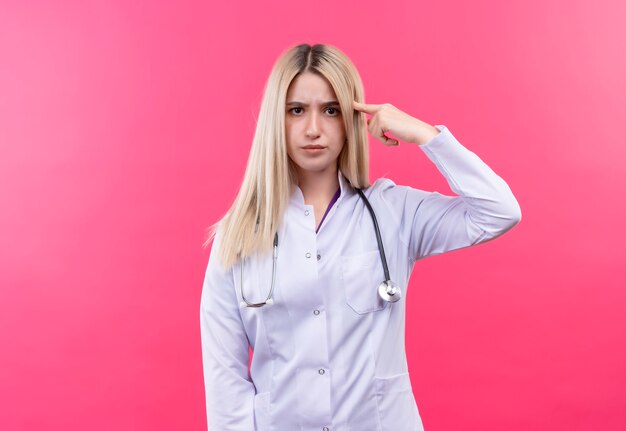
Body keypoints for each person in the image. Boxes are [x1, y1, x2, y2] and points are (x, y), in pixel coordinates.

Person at [199, 43, 521, 431]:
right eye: (296, 110)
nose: (313, 128)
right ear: (276, 120)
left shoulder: (393, 212)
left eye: (331, 110)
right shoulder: (237, 237)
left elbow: (499, 211)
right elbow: (225, 380)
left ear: (351, 118)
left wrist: (425, 135)